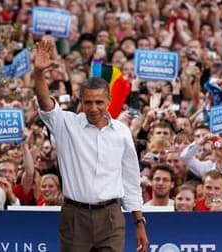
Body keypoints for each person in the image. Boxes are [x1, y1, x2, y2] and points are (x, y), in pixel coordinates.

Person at [33, 40, 148, 252]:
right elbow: (44, 101)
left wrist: (139, 222)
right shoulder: (66, 124)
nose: (93, 108)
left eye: (99, 102)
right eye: (88, 103)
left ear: (109, 101)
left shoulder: (122, 132)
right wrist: (39, 72)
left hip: (111, 216)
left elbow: (130, 179)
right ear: (81, 101)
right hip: (75, 217)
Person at [180, 133, 222, 198]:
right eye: (215, 148)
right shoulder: (207, 166)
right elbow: (185, 157)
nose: (218, 151)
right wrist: (200, 143)